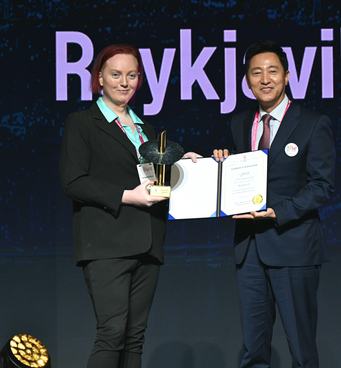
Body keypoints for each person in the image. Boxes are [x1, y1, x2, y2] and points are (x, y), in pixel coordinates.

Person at [59, 44, 200, 368]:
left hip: (147, 242)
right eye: (116, 74)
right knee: (112, 333)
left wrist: (187, 164)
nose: (124, 82)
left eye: (132, 75)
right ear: (100, 78)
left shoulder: (145, 129)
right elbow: (73, 182)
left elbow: (153, 178)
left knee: (135, 338)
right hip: (107, 242)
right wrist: (128, 195)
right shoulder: (83, 122)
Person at [213, 40, 335, 368]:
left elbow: (322, 186)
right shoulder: (240, 122)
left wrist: (278, 211)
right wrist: (219, 164)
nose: (265, 79)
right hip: (249, 250)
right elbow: (241, 179)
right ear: (247, 81)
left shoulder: (312, 122)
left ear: (286, 76)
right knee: (253, 352)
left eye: (272, 71)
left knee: (301, 349)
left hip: (293, 246)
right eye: (256, 73)